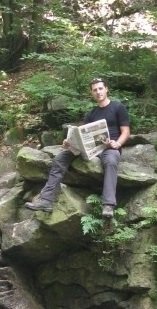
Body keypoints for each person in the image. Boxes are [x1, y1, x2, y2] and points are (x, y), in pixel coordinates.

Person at [25, 77, 131, 218]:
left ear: (106, 89)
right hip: (91, 149)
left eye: (100, 88)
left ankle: (108, 205)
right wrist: (70, 143)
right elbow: (83, 135)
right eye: (95, 90)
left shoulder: (118, 107)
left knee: (111, 161)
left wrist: (117, 143)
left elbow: (126, 131)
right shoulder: (91, 114)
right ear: (92, 93)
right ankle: (46, 200)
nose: (98, 92)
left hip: (109, 148)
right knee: (60, 158)